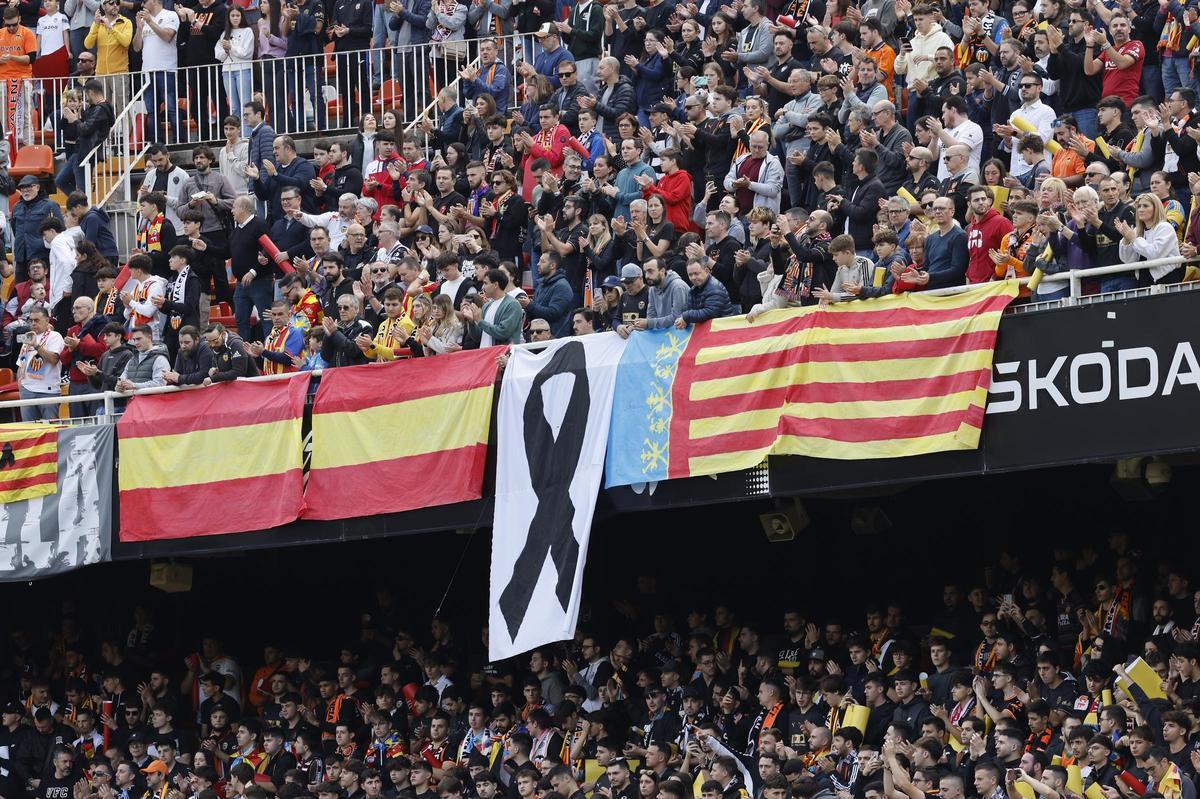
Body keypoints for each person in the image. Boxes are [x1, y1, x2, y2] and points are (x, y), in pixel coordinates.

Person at [132, 0, 179, 146]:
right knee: (152, 111)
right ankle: (157, 142)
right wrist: (139, 29)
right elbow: (136, 47)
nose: (142, 4)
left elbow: (167, 36)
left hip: (166, 69)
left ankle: (179, 141)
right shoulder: (145, 20)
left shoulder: (170, 15)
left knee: (171, 108)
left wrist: (150, 21)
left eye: (145, 1)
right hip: (147, 70)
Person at [15, 307, 65, 421]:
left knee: (51, 430)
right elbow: (21, 363)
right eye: (31, 320)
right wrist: (21, 385)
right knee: (29, 432)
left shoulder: (55, 336)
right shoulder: (28, 337)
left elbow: (54, 359)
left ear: (47, 320)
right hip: (27, 390)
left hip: (48, 391)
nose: (33, 323)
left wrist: (37, 346)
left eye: (37, 320)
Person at [12, 177, 65, 278]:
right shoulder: (16, 207)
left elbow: (60, 230)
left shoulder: (50, 205)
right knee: (21, 290)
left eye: (29, 186)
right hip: (21, 258)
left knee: (43, 290)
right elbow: (15, 229)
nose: (25, 190)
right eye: (22, 187)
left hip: (41, 257)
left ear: (37, 187)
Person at [115, 324, 170, 392]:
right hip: (132, 401)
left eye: (139, 339)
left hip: (153, 401)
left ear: (149, 338)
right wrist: (119, 387)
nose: (136, 343)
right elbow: (121, 380)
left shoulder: (160, 359)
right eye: (134, 339)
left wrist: (134, 386)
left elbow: (160, 384)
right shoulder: (132, 360)